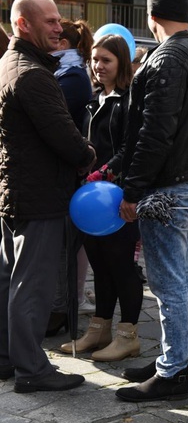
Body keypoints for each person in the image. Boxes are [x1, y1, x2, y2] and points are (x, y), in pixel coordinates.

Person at [114, 0, 188, 402]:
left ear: (151, 17)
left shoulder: (168, 59)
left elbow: (155, 133)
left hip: (169, 185)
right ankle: (169, 361)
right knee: (173, 278)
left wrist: (133, 191)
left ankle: (173, 372)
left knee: (169, 282)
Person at [0, 0, 96, 392]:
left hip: (18, 189)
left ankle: (9, 359)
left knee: (10, 278)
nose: (59, 28)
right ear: (23, 24)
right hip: (37, 194)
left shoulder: (11, 63)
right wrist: (88, 154)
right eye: (50, 22)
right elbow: (66, 139)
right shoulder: (32, 73)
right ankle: (32, 370)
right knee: (32, 285)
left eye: (59, 21)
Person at [58, 34, 143, 362]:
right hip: (89, 200)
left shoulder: (129, 101)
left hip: (118, 198)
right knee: (100, 267)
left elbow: (130, 148)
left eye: (106, 60)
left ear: (121, 62)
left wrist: (104, 172)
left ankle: (128, 335)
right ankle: (99, 328)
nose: (98, 65)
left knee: (122, 269)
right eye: (95, 59)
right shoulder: (93, 100)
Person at [48, 18, 96, 334]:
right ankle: (63, 305)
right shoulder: (65, 74)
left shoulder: (73, 77)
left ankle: (68, 305)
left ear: (63, 45)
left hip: (71, 173)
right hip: (62, 171)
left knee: (71, 245)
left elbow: (55, 120)